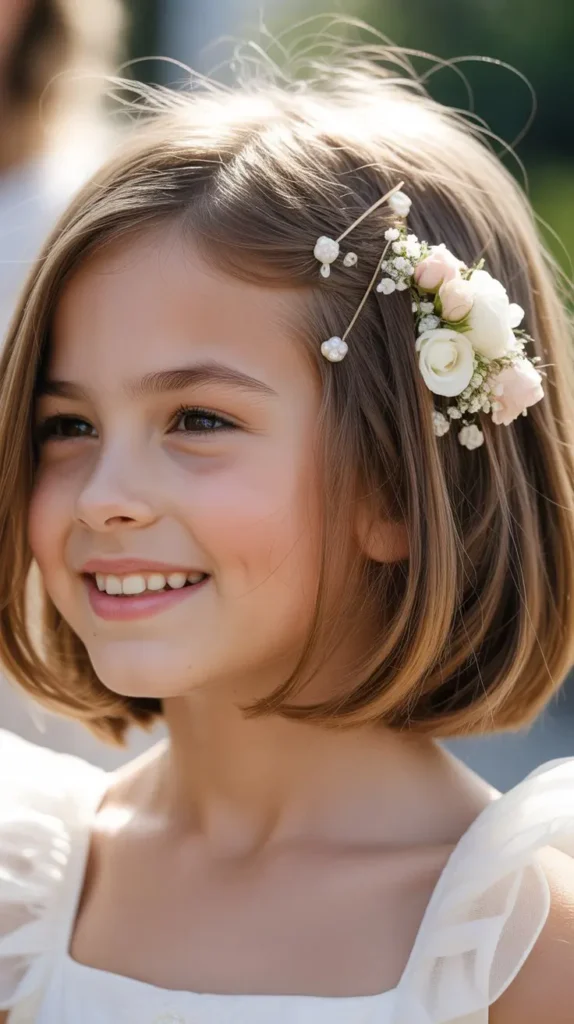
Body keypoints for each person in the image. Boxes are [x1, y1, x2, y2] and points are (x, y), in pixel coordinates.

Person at [0, 38, 573, 1024]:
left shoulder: (517, 946)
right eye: (69, 426)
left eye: (198, 420)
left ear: (400, 486)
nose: (103, 494)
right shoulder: (21, 898)